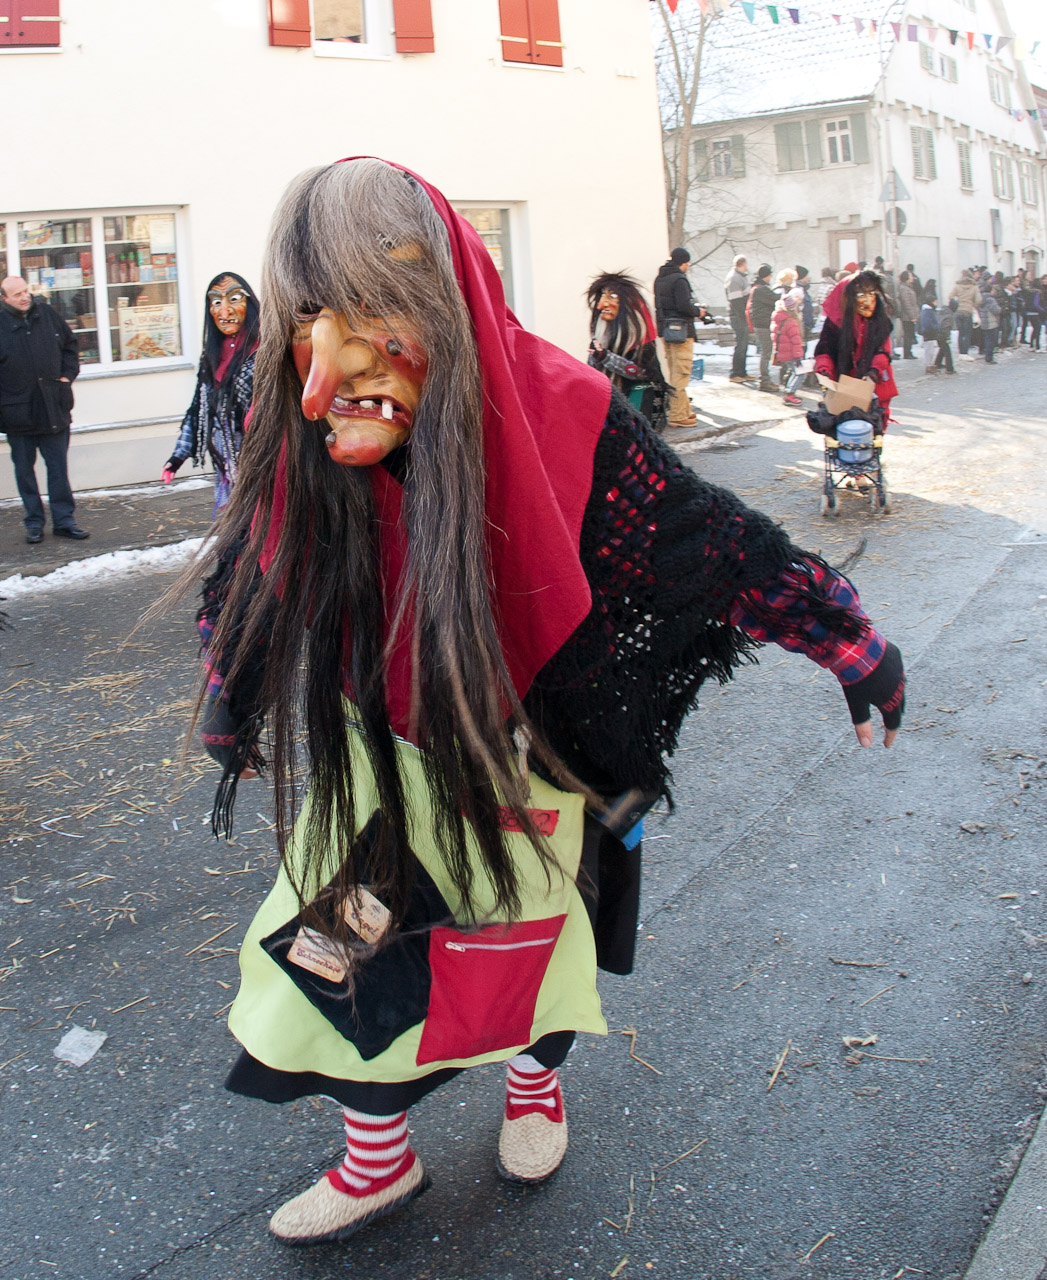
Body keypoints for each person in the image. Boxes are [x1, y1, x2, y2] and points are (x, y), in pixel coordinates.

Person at [184, 159, 907, 1250]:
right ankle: (377, 1160)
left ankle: (535, 1088)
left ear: (440, 297)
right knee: (339, 959)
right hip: (379, 753)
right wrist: (229, 690)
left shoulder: (565, 409)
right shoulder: (298, 414)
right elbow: (256, 563)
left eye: (370, 313)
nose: (326, 369)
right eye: (309, 315)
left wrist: (849, 642)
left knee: (535, 944)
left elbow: (709, 544)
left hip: (542, 750)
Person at [162, 272, 260, 513]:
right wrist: (177, 457)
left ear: (249, 303)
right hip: (226, 462)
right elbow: (199, 408)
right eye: (216, 302)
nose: (225, 311)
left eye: (234, 299)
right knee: (232, 521)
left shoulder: (265, 350)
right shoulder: (211, 356)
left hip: (261, 460)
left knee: (258, 520)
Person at [0, 276, 87, 544]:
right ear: (4, 298)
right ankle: (34, 522)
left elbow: (70, 346)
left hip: (53, 407)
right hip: (18, 412)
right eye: (17, 294)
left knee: (58, 468)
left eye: (26, 291)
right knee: (25, 472)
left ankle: (64, 521)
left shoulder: (47, 314)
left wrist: (66, 377)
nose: (25, 297)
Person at [814, 269, 898, 427]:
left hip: (874, 385)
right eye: (861, 295)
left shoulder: (880, 321)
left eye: (871, 293)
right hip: (843, 387)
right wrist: (825, 372)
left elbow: (883, 351)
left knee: (872, 432)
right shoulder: (835, 323)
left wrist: (873, 372)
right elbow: (825, 351)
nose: (868, 301)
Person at [586, 271, 668, 431]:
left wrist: (606, 357)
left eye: (612, 296)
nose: (602, 304)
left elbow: (641, 372)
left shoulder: (641, 342)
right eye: (602, 296)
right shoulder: (601, 338)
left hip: (635, 408)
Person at [653, 247, 708, 427]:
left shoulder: (660, 278)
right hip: (681, 332)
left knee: (674, 371)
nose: (688, 266)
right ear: (683, 263)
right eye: (687, 263)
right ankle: (677, 415)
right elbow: (684, 306)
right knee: (681, 373)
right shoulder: (679, 279)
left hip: (666, 331)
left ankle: (684, 410)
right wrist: (698, 311)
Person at [746, 264, 778, 393]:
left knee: (766, 352)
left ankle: (765, 380)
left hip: (761, 324)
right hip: (763, 325)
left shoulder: (758, 288)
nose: (770, 278)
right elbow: (775, 299)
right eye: (769, 275)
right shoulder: (761, 289)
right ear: (765, 276)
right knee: (766, 353)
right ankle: (764, 381)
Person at [770, 291, 805, 407]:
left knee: (793, 372)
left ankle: (789, 392)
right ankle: (790, 394)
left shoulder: (777, 318)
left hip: (783, 352)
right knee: (800, 373)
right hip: (792, 353)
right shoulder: (791, 321)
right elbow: (796, 341)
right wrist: (798, 355)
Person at [723, 254, 751, 382]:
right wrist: (743, 316)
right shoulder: (734, 278)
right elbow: (736, 302)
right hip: (738, 315)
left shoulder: (740, 277)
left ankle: (742, 372)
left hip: (741, 315)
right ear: (743, 264)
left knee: (744, 344)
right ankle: (735, 373)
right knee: (740, 344)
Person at [949, 270, 982, 355]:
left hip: (958, 311)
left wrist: (957, 303)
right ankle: (965, 352)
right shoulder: (974, 287)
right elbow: (979, 300)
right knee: (967, 334)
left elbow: (950, 296)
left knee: (961, 333)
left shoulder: (957, 286)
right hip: (968, 311)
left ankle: (961, 352)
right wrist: (973, 305)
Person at [897, 271, 919, 359]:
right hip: (907, 316)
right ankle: (907, 353)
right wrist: (912, 316)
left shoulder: (908, 287)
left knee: (910, 334)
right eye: (910, 276)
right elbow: (907, 303)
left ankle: (909, 352)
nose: (912, 278)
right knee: (908, 335)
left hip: (910, 315)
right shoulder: (904, 289)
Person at [976, 289, 1000, 363]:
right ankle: (989, 358)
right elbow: (996, 310)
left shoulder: (980, 298)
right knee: (991, 340)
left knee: (986, 339)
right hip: (991, 321)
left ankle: (986, 354)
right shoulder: (990, 299)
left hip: (984, 321)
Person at [918, 297, 940, 371]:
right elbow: (928, 323)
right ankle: (928, 365)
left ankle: (930, 364)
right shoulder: (928, 311)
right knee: (929, 350)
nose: (936, 303)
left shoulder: (928, 310)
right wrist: (935, 328)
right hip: (929, 332)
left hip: (929, 332)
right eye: (935, 302)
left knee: (930, 349)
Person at [935, 300, 956, 373]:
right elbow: (946, 327)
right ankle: (949, 369)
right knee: (947, 352)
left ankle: (937, 364)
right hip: (943, 334)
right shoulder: (949, 315)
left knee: (942, 349)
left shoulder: (942, 312)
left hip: (937, 333)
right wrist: (947, 337)